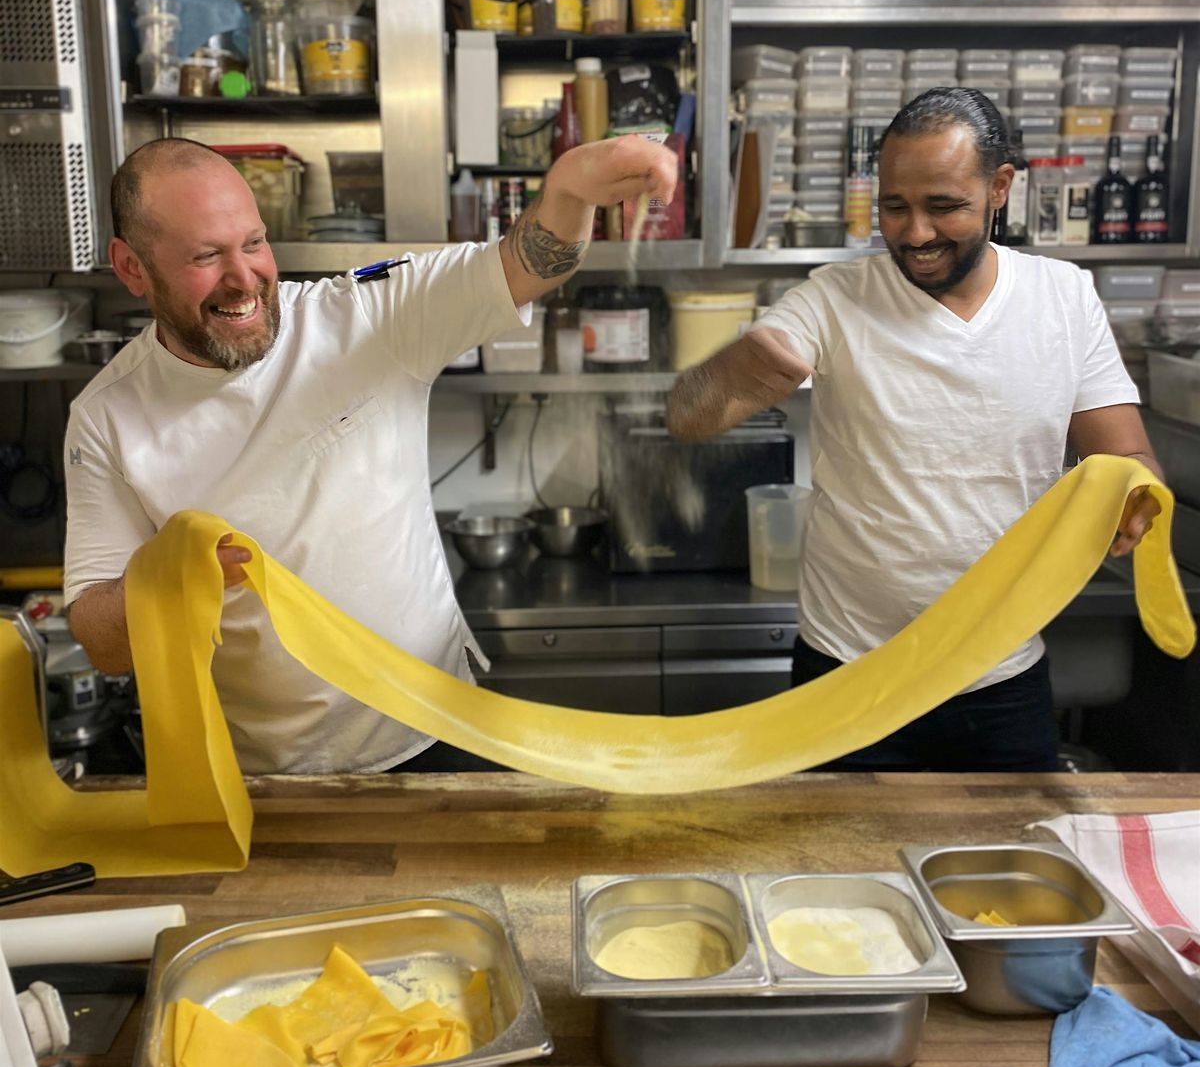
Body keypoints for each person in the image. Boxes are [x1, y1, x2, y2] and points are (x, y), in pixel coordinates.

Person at [64, 132, 674, 775]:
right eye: (205, 256)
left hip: (439, 729)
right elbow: (104, 645)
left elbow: (525, 265)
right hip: (264, 773)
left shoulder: (363, 315)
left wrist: (570, 192)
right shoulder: (107, 418)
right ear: (133, 267)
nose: (244, 279)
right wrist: (166, 580)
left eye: (254, 243)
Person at [666, 87, 1163, 772]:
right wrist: (731, 375)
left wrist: (1137, 496)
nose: (916, 234)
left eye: (943, 207)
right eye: (895, 208)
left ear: (1000, 187)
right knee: (837, 876)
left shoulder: (1064, 298)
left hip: (999, 680)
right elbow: (688, 417)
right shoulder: (835, 297)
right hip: (848, 676)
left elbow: (1126, 452)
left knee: (1004, 874)